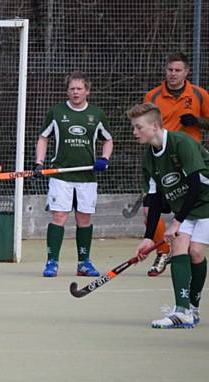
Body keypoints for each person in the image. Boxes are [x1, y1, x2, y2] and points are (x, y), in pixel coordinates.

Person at [129, 102, 208, 329]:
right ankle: (182, 311)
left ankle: (192, 305)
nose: (134, 132)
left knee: (195, 252)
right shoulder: (149, 158)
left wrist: (177, 221)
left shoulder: (181, 143)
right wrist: (148, 237)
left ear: (154, 126)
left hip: (206, 200)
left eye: (138, 127)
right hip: (187, 204)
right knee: (180, 247)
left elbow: (195, 185)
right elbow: (153, 201)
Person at [34, 71, 113, 278]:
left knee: (84, 219)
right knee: (59, 216)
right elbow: (43, 138)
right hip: (61, 175)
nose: (75, 92)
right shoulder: (57, 112)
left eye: (79, 88)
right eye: (72, 88)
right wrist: (39, 163)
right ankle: (52, 262)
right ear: (67, 91)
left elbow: (108, 139)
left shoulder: (97, 114)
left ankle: (84, 263)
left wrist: (104, 159)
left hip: (87, 176)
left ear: (87, 91)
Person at [142, 52, 209, 277]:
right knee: (148, 209)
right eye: (170, 69)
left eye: (177, 70)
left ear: (186, 72)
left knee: (192, 217)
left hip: (190, 165)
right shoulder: (153, 95)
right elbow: (146, 125)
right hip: (164, 164)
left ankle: (188, 252)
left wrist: (198, 122)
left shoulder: (200, 95)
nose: (173, 74)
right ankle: (162, 251)